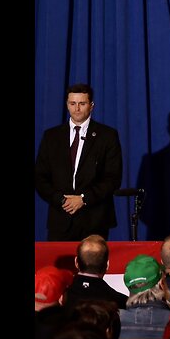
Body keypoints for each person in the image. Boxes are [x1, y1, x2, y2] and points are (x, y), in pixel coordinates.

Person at [35, 83, 123, 241]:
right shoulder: (51, 137)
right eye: (72, 104)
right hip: (61, 219)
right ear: (67, 105)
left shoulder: (107, 136)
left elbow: (113, 178)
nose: (77, 109)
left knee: (92, 265)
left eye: (82, 104)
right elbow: (40, 178)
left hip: (95, 221)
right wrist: (62, 200)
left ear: (91, 105)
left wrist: (83, 199)